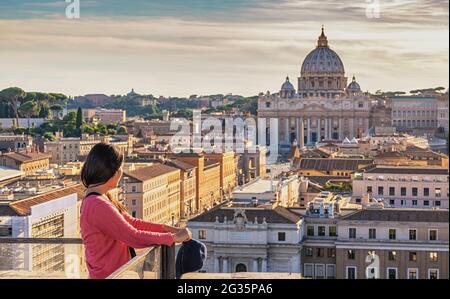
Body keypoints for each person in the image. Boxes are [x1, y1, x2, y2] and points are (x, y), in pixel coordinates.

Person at [80, 143, 191, 279]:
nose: (121, 172)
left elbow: (133, 223)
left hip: (109, 274)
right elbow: (132, 236)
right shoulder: (97, 204)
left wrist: (169, 229)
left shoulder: (98, 198)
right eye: (120, 167)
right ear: (113, 171)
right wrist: (172, 238)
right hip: (110, 276)